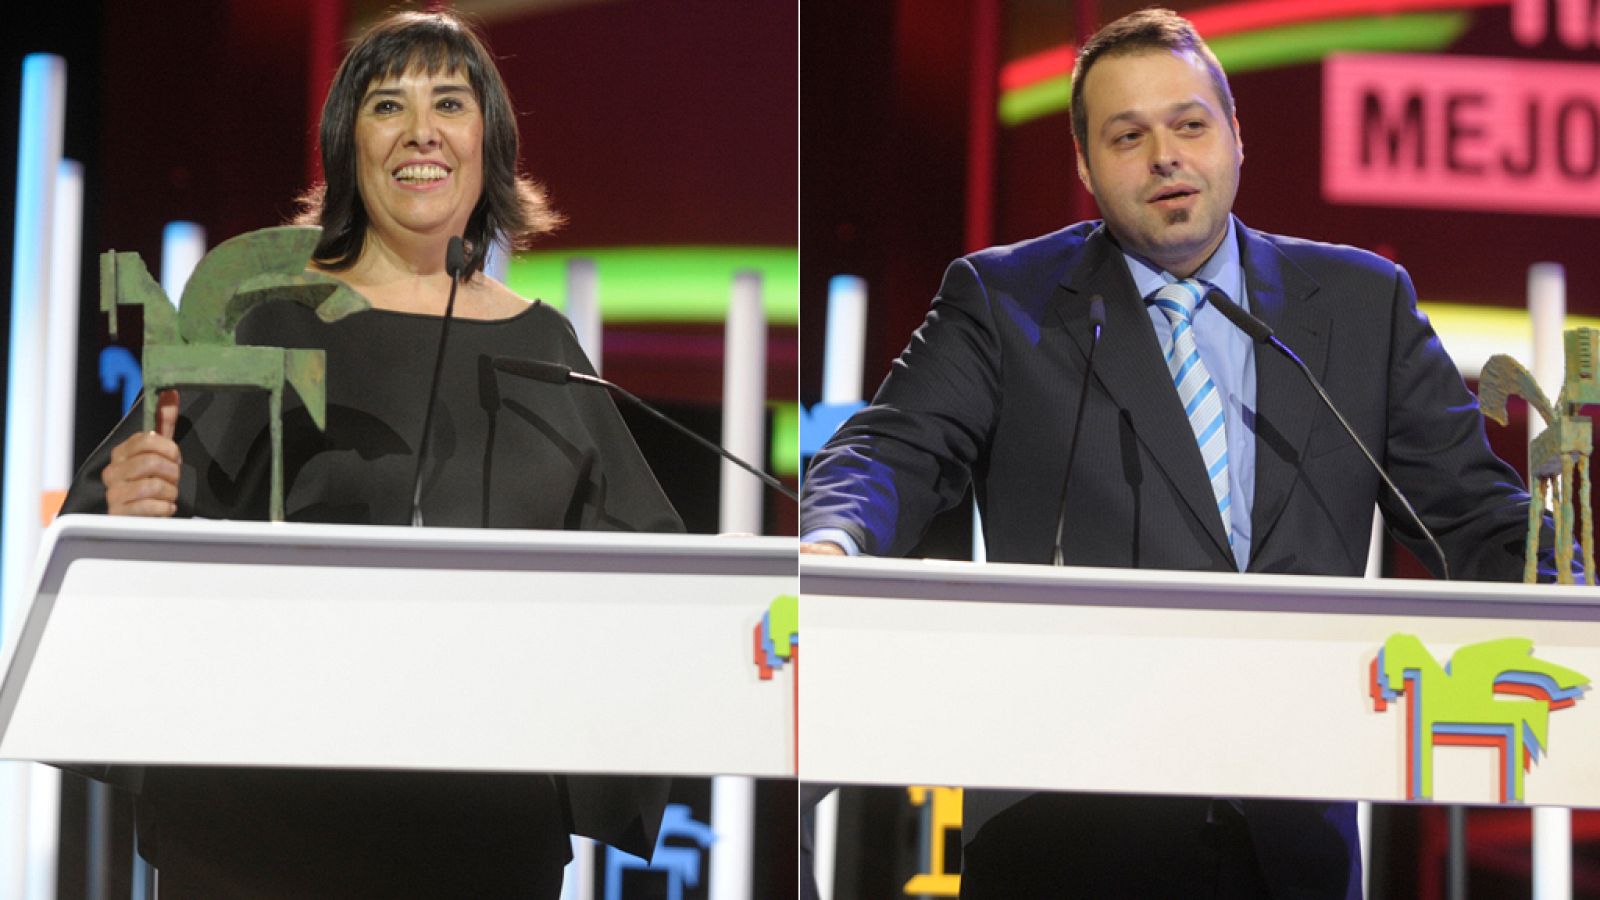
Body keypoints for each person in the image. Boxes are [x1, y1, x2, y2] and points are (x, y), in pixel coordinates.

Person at [801, 8, 1560, 898]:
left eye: (1189, 124)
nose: (1166, 155)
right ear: (1084, 166)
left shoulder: (1362, 303)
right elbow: (890, 452)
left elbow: (1470, 515)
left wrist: (1569, 580)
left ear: (1236, 137)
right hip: (1069, 832)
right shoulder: (1005, 301)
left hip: (1290, 840)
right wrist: (833, 545)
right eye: (1128, 135)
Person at [64, 10, 679, 898]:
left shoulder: (545, 346)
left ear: (488, 143)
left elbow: (649, 573)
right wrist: (128, 512)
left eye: (450, 103)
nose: (422, 130)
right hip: (265, 832)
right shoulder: (267, 319)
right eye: (388, 105)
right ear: (348, 146)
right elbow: (118, 518)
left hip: (481, 835)